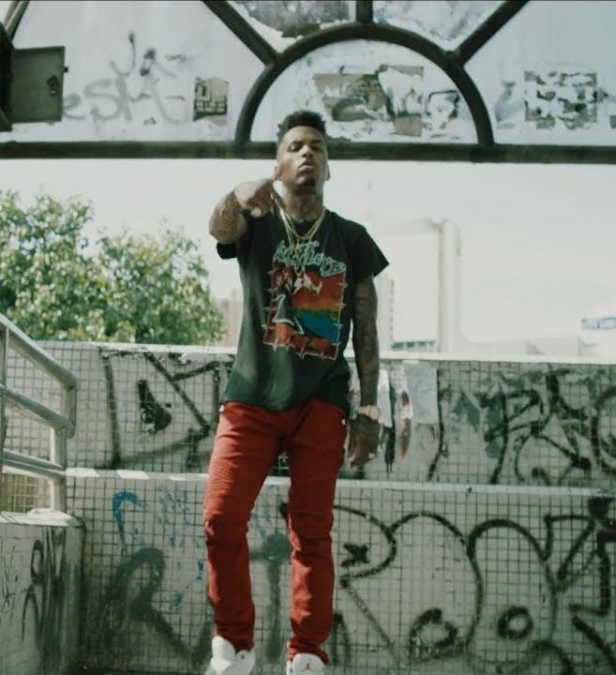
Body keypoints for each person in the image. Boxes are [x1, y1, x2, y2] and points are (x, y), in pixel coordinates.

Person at [203, 110, 389, 675]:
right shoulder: (256, 224)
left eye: (317, 147)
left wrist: (369, 407)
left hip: (321, 403)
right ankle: (234, 646)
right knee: (220, 519)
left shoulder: (352, 239)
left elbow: (367, 327)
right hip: (252, 396)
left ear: (328, 167)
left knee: (311, 531)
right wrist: (237, 193)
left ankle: (307, 654)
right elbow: (219, 228)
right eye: (295, 146)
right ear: (278, 164)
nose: (307, 153)